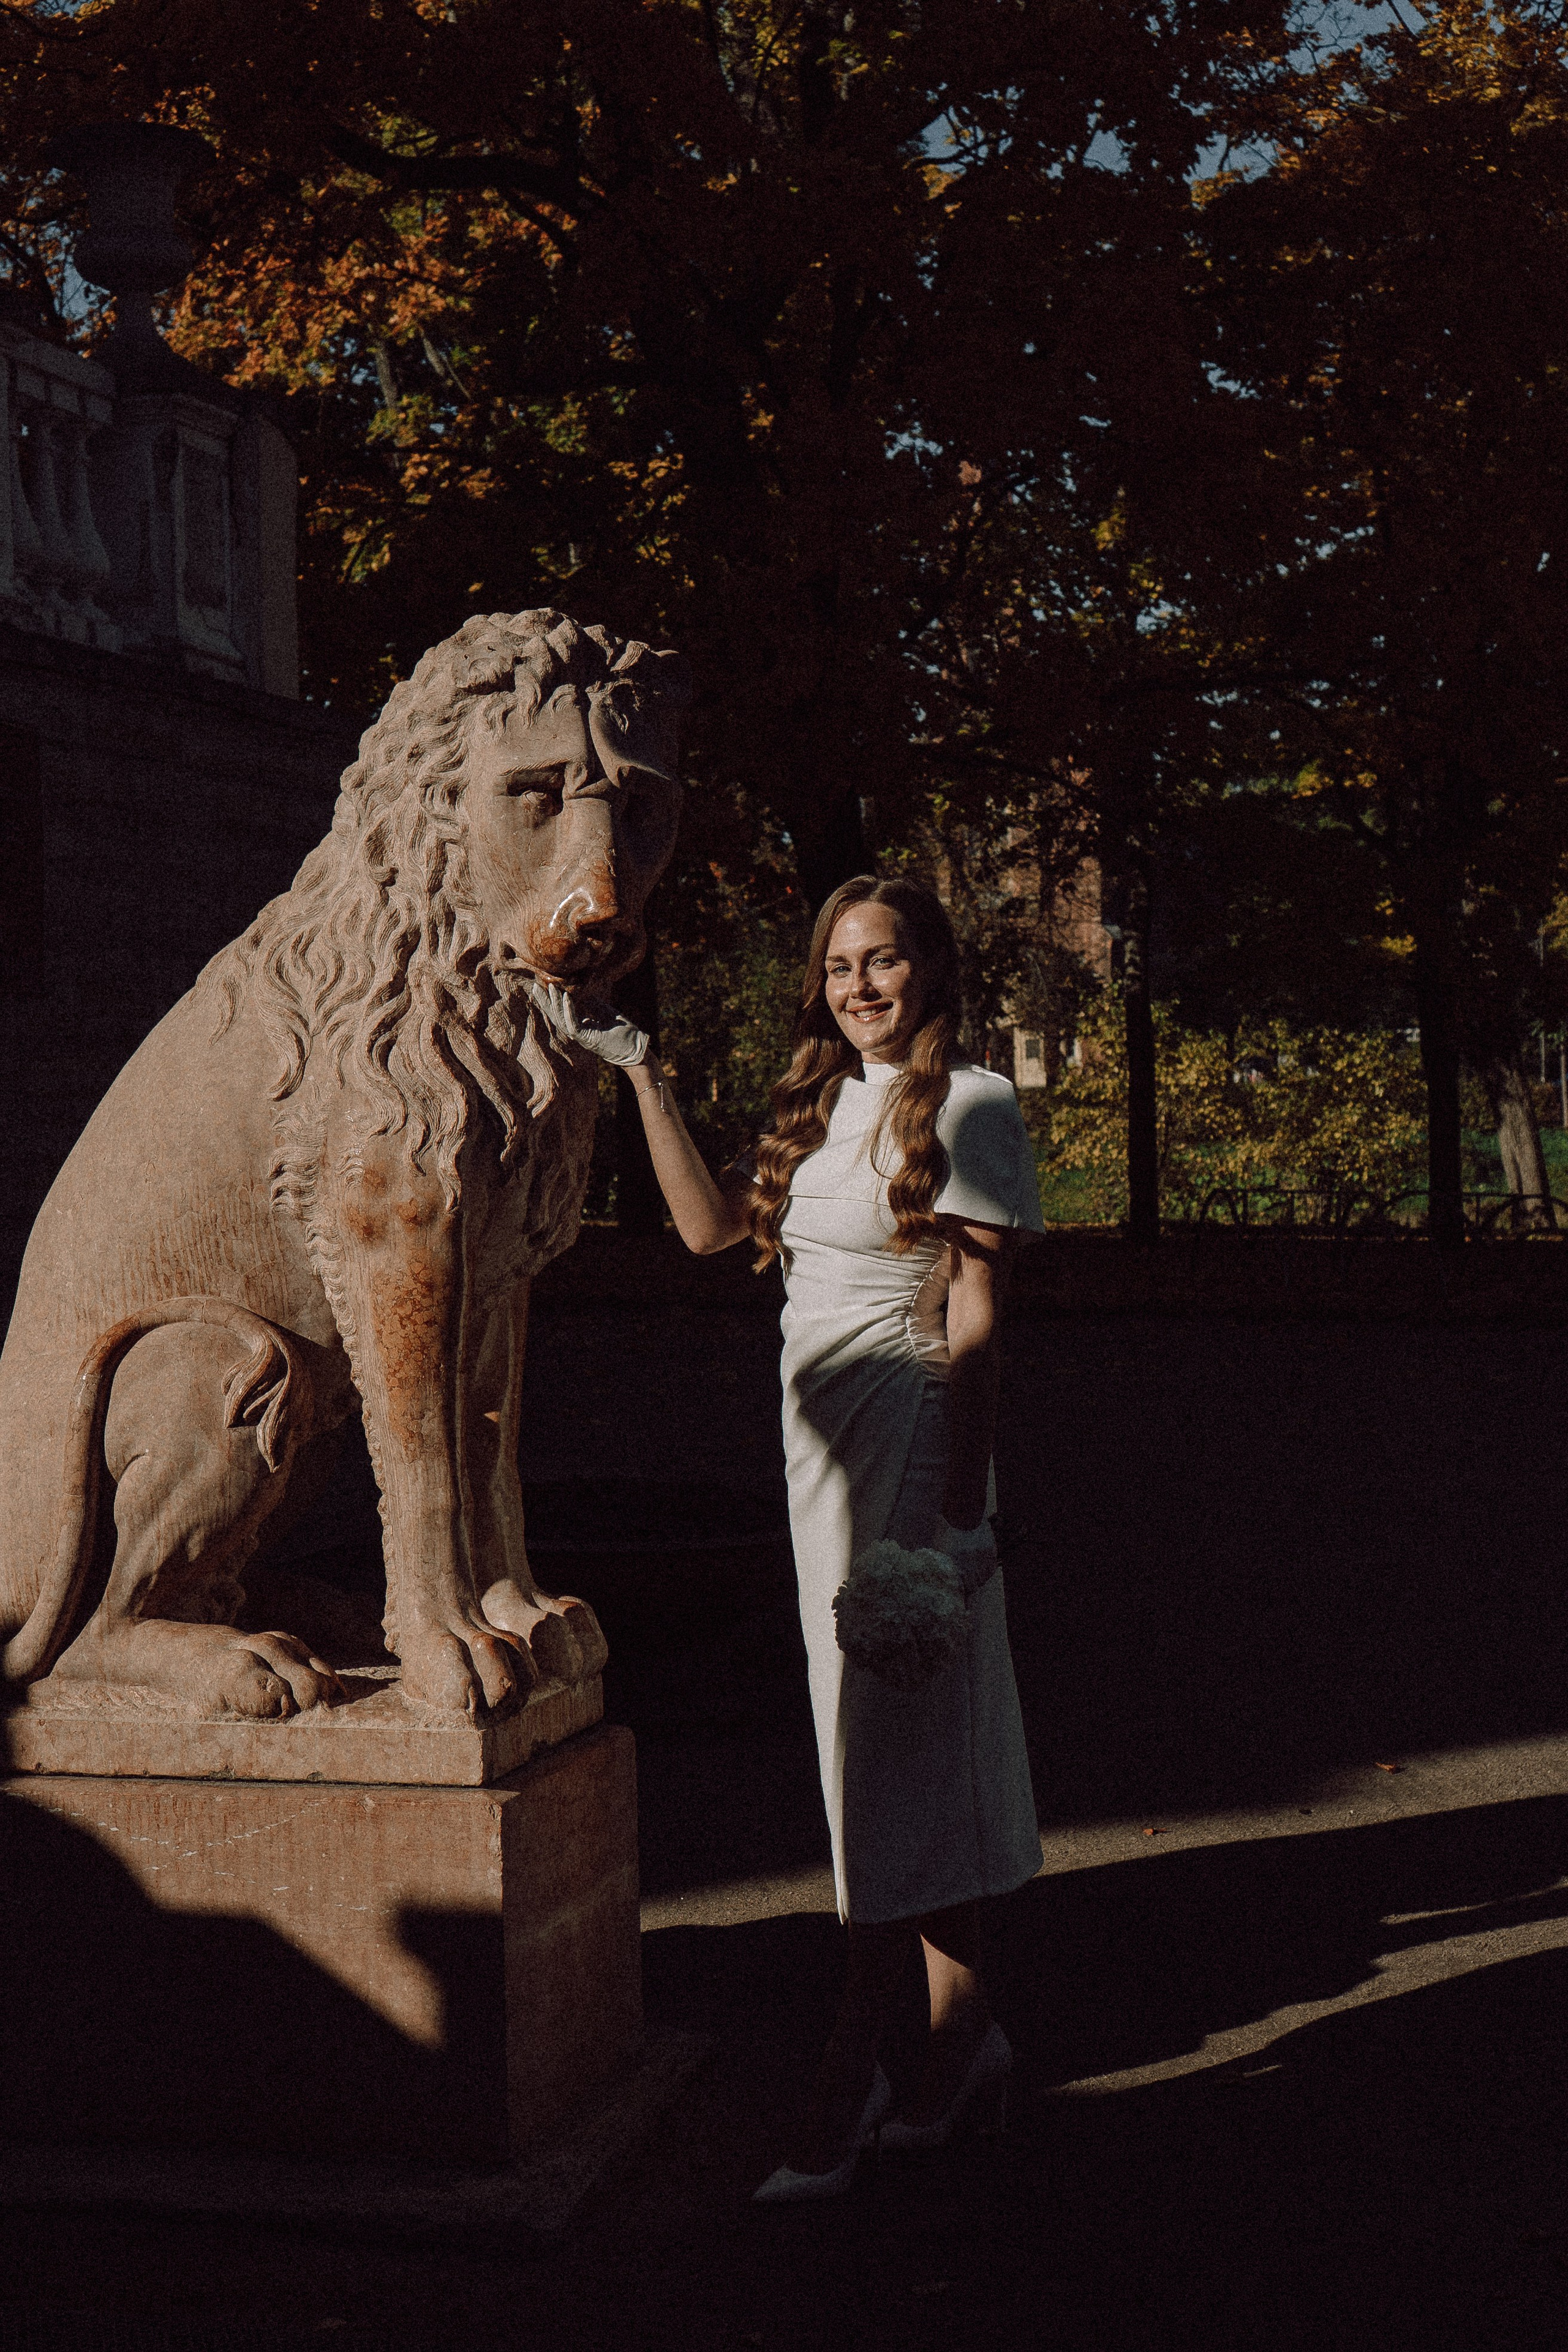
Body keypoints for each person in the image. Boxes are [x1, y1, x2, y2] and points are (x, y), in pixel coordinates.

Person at [535, 875, 1044, 2201]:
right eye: (835, 967)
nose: (858, 986)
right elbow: (710, 1231)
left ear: (929, 967)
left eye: (881, 962)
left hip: (911, 1452)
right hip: (814, 1463)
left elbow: (978, 1317)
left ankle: (849, 2075)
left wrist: (961, 1512)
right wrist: (642, 1076)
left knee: (884, 1755)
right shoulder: (817, 1104)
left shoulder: (973, 1102)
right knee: (890, 1752)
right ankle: (959, 2042)